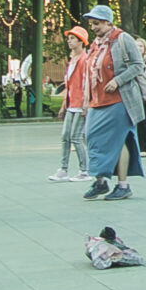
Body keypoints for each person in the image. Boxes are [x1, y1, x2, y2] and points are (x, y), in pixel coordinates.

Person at [80, 5, 146, 201]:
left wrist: (118, 80)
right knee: (90, 136)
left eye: (97, 23)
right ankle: (100, 181)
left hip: (119, 100)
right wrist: (86, 99)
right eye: (92, 24)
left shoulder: (122, 39)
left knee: (118, 140)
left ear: (108, 22)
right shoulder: (95, 44)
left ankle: (123, 185)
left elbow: (138, 65)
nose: (94, 27)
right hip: (97, 101)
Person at [51, 27, 93, 182]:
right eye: (68, 38)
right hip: (71, 104)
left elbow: (87, 83)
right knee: (65, 136)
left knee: (76, 137)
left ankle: (84, 170)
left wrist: (86, 103)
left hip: (80, 103)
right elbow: (69, 85)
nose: (69, 41)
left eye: (73, 38)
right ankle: (63, 169)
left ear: (81, 41)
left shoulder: (85, 60)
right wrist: (64, 105)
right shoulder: (72, 60)